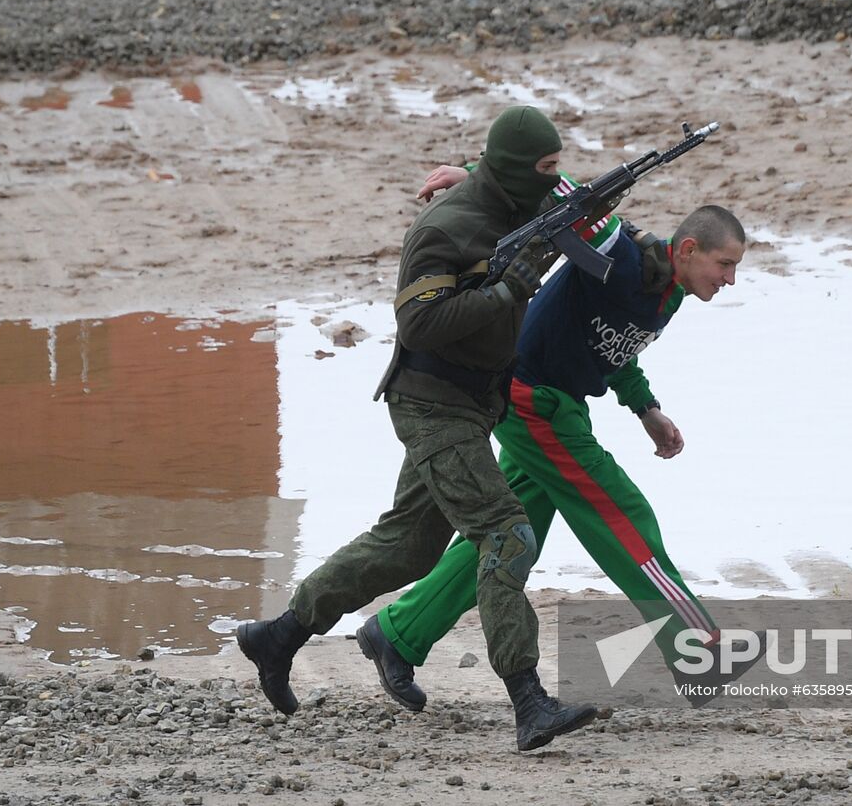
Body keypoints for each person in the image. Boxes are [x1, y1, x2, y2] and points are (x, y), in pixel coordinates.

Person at [237, 105, 598, 753]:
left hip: (470, 402)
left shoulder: (518, 202)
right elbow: (419, 324)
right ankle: (529, 700)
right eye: (544, 169)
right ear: (515, 171)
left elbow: (570, 198)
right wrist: (506, 290)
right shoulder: (445, 228)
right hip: (432, 404)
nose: (555, 180)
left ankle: (279, 636)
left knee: (409, 545)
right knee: (506, 530)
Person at [353, 159, 749, 711]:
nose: (730, 279)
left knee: (511, 535)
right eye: (725, 264)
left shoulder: (670, 293)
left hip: (561, 407)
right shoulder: (621, 253)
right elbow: (564, 196)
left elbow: (614, 347)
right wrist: (473, 176)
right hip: (529, 399)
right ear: (687, 250)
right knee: (622, 514)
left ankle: (397, 633)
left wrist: (645, 408)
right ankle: (699, 653)